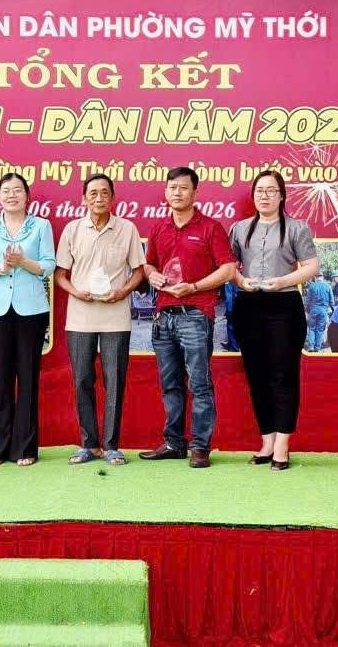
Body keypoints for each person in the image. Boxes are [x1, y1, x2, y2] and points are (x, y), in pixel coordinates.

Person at [140, 167, 237, 469]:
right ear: (165, 192)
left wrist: (193, 287)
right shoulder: (159, 228)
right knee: (170, 384)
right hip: (163, 317)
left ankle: (200, 446)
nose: (177, 193)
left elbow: (228, 269)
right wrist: (152, 275)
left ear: (195, 192)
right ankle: (174, 443)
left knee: (199, 384)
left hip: (195, 315)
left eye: (183, 188)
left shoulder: (211, 228)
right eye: (172, 187)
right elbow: (148, 264)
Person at [228, 170, 319, 471]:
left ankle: (282, 445)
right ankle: (266, 441)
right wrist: (239, 281)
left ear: (282, 196)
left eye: (270, 191)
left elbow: (311, 267)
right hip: (249, 305)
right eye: (259, 191)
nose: (264, 196)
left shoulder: (296, 228)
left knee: (283, 375)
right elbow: (228, 266)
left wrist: (282, 281)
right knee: (256, 375)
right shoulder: (240, 229)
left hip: (284, 306)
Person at [53, 173, 145, 466]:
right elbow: (59, 275)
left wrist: (123, 292)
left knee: (114, 380)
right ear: (83, 199)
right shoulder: (72, 230)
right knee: (82, 379)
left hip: (115, 316)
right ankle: (89, 445)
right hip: (80, 316)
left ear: (112, 197)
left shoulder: (127, 228)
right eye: (92, 193)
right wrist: (76, 292)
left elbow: (139, 271)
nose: (99, 198)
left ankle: (111, 445)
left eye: (104, 192)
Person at [0, 173, 56, 467]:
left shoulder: (41, 226)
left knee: (28, 378)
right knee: (3, 377)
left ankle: (25, 447)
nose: (12, 195)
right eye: (6, 191)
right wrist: (3, 268)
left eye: (17, 190)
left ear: (27, 196)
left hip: (31, 310)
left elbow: (48, 265)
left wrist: (23, 263)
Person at [303, 271, 334, 354]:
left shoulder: (312, 286)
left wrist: (306, 310)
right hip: (323, 311)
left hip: (313, 310)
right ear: (322, 277)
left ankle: (311, 347)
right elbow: (331, 301)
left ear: (315, 278)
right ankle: (317, 347)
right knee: (320, 329)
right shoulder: (328, 286)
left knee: (311, 328)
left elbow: (308, 300)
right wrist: (332, 311)